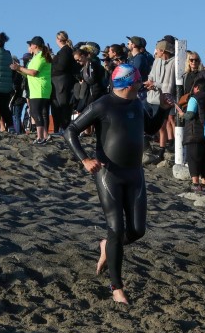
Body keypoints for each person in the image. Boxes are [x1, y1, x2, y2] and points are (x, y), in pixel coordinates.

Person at [64, 64, 173, 304]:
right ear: (127, 84)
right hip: (108, 174)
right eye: (138, 82)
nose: (141, 85)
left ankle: (107, 246)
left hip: (135, 174)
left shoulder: (137, 103)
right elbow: (70, 131)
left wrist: (164, 109)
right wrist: (84, 159)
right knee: (115, 229)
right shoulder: (103, 105)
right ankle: (117, 288)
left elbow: (152, 127)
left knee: (137, 230)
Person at [10, 36, 52, 144]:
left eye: (31, 44)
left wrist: (19, 68)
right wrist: (19, 69)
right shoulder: (36, 57)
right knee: (36, 112)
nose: (29, 46)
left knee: (36, 112)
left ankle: (41, 137)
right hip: (36, 89)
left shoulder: (41, 56)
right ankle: (43, 136)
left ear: (35, 46)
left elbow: (33, 72)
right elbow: (29, 73)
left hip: (40, 88)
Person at [144, 39, 176, 158]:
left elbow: (169, 85)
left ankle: (162, 151)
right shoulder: (157, 60)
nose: (156, 51)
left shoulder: (173, 63)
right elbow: (151, 75)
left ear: (162, 51)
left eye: (157, 49)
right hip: (151, 97)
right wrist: (149, 82)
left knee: (161, 125)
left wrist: (155, 85)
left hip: (162, 99)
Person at [51, 31, 78, 134]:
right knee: (58, 105)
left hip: (61, 81)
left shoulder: (65, 51)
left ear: (58, 39)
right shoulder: (64, 51)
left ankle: (63, 128)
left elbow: (62, 66)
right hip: (59, 81)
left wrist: (52, 67)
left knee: (63, 105)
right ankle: (59, 128)